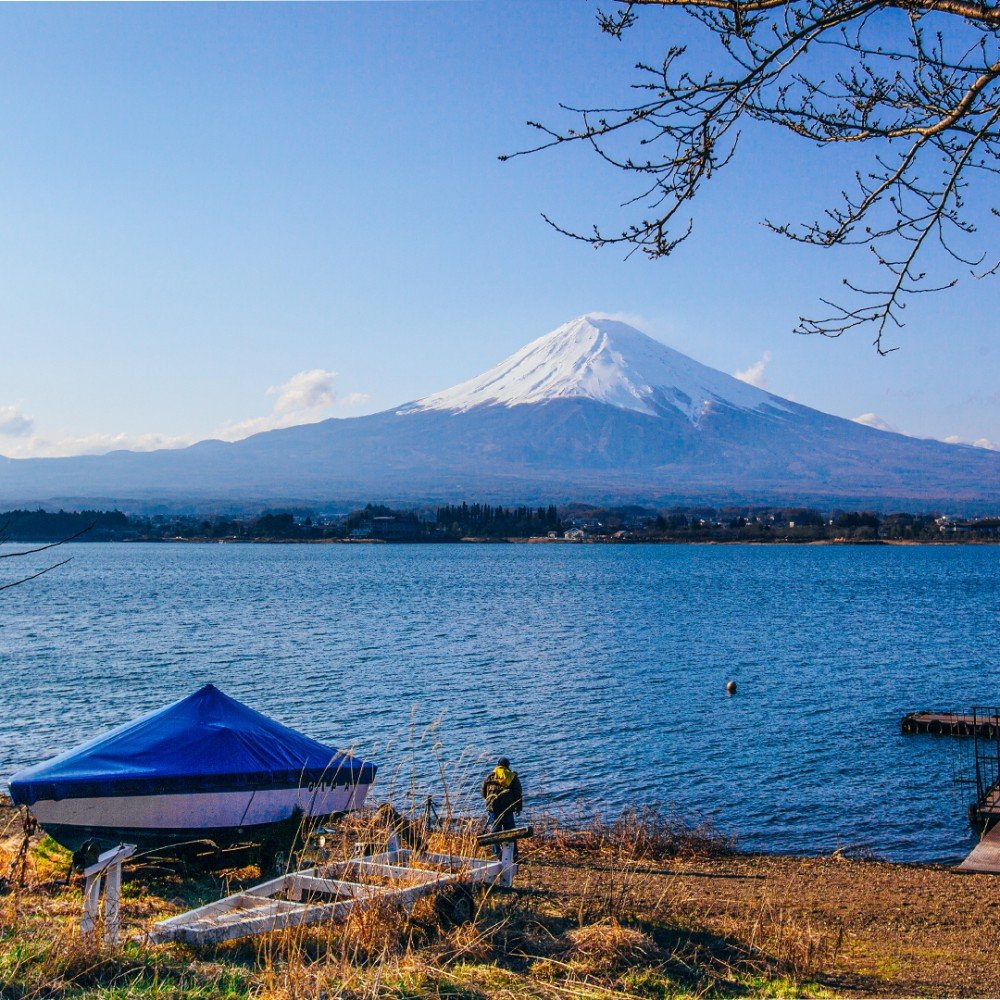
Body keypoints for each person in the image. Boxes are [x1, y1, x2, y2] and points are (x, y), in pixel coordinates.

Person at [481, 756, 523, 859]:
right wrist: (518, 808)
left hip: (493, 809)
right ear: (507, 766)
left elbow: (483, 793)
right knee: (510, 832)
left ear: (497, 765)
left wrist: (491, 803)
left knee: (495, 831)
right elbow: (518, 794)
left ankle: (498, 853)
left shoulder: (489, 776)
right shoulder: (511, 776)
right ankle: (513, 855)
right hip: (507, 809)